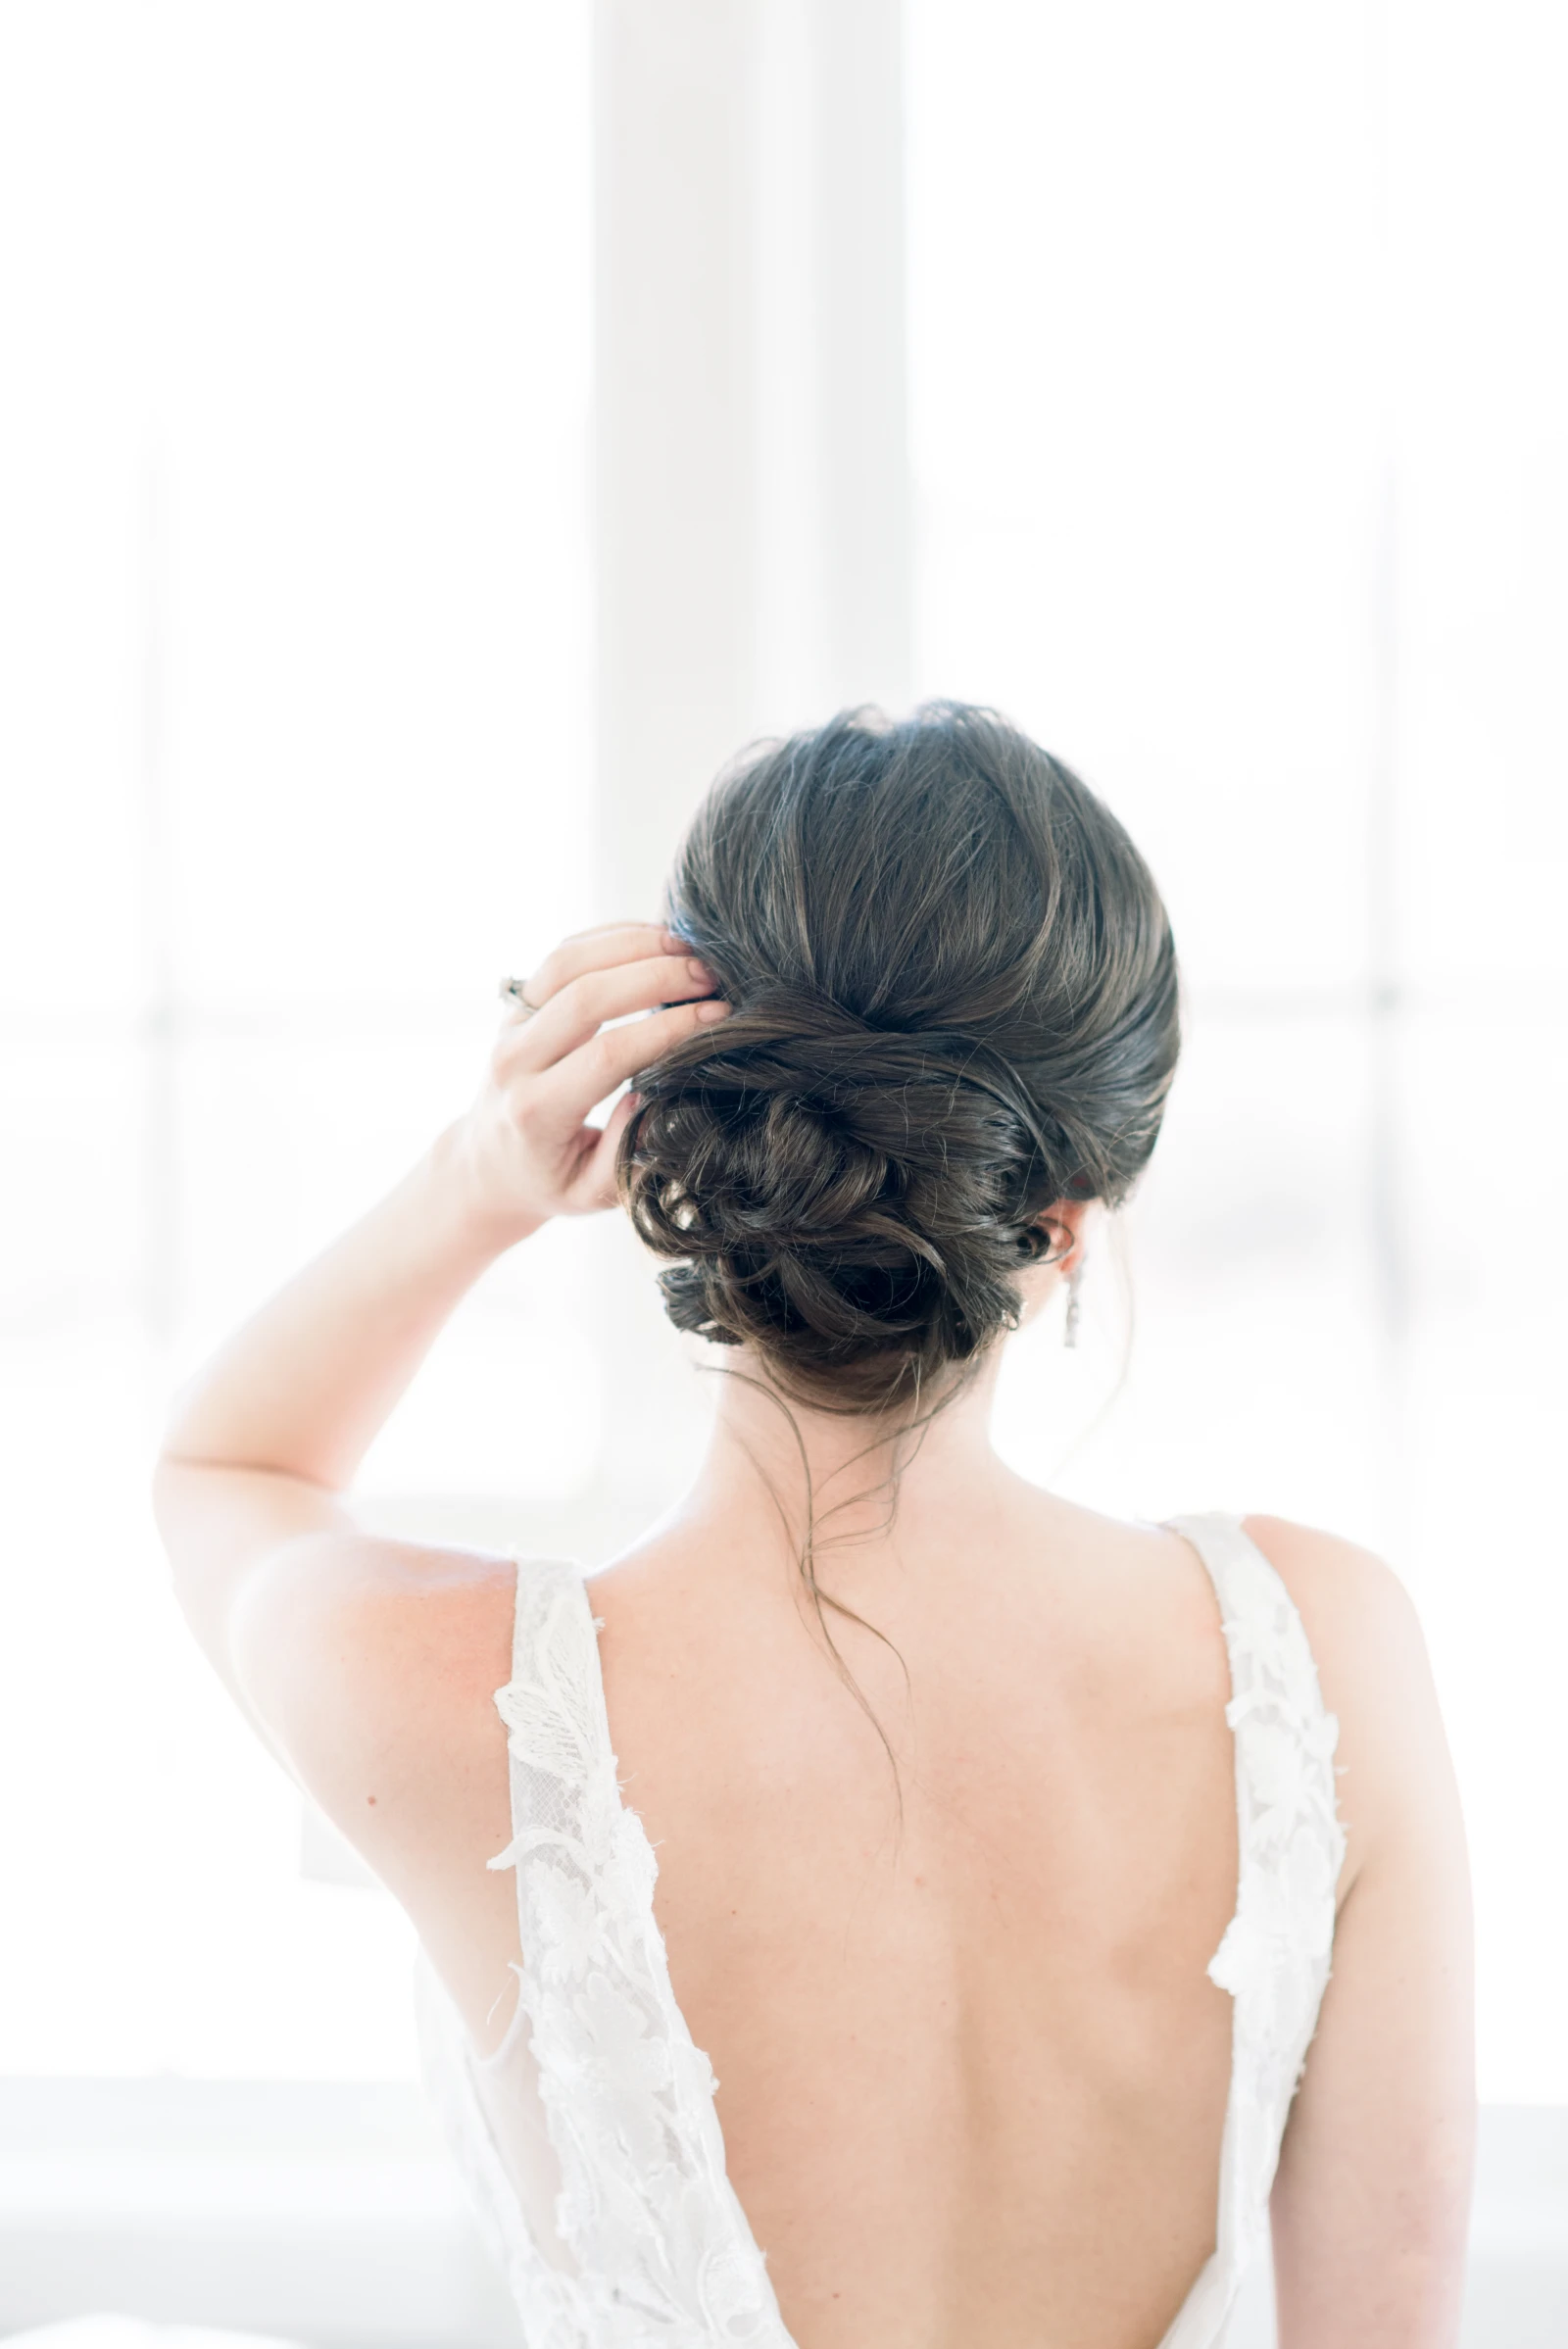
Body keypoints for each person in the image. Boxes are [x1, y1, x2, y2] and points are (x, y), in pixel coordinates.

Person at [153, 705, 1474, 2348]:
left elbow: (225, 1473)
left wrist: (477, 1176)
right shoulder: (1327, 1658)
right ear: (1060, 1221)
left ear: (672, 1123)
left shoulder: (444, 1689)